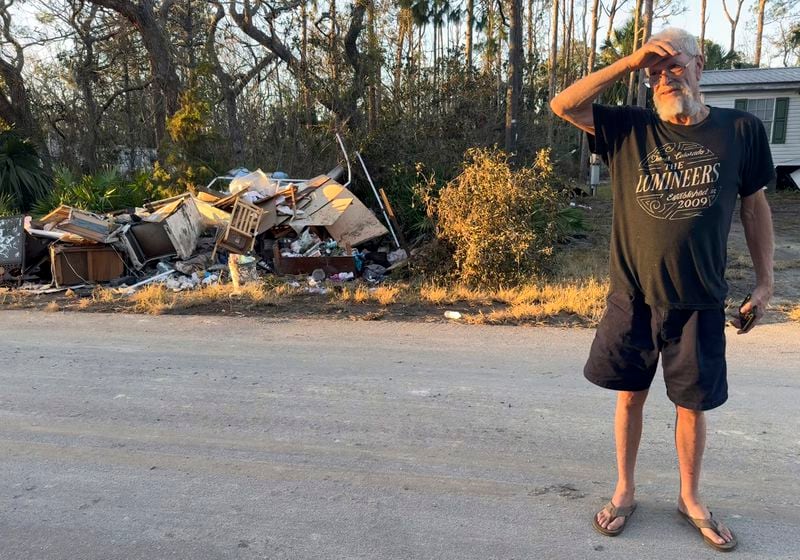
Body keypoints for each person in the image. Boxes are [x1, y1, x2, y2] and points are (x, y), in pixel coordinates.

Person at [550, 27, 775, 552]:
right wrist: (629, 62)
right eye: (655, 72)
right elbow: (564, 104)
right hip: (633, 297)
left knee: (692, 405)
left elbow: (755, 207)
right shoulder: (628, 128)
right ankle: (625, 490)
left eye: (674, 65)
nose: (664, 77)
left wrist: (765, 284)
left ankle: (690, 498)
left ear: (700, 67)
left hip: (699, 298)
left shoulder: (740, 130)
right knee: (630, 396)